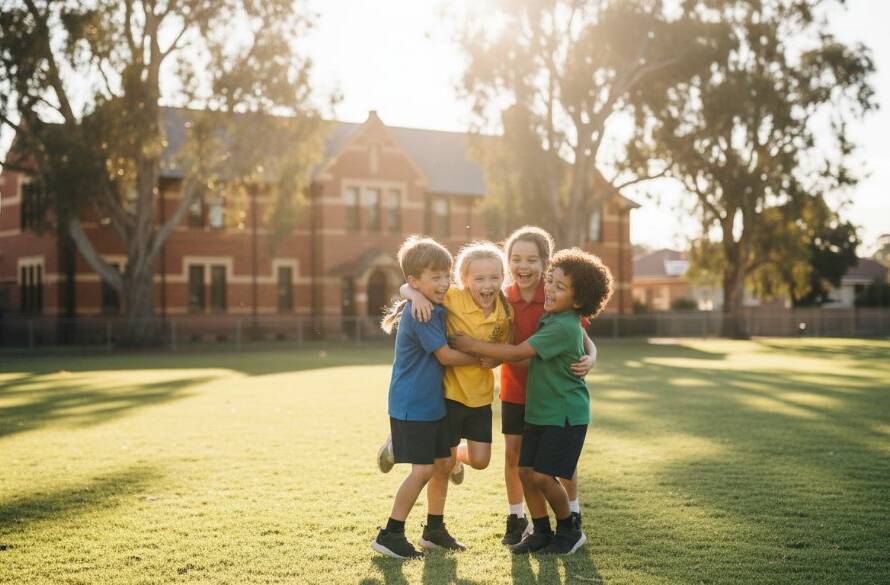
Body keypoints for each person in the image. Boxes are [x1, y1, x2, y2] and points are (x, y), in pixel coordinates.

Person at [450, 248, 613, 556]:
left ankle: (569, 528)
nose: (549, 289)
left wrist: (471, 345)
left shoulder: (565, 326)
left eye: (559, 287)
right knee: (525, 472)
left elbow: (516, 353)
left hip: (564, 415)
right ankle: (540, 530)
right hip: (540, 413)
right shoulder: (552, 319)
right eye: (550, 281)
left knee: (542, 475)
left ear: (578, 301)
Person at [371, 236, 481, 560]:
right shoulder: (422, 313)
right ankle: (390, 533)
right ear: (415, 281)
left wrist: (411, 291)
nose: (445, 282)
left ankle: (434, 530)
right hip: (412, 406)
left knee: (443, 464)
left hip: (432, 405)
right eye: (436, 277)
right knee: (422, 471)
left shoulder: (433, 304)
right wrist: (483, 358)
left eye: (446, 275)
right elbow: (446, 356)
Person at [499, 226, 598, 545]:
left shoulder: (556, 296)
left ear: (545, 263)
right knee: (517, 459)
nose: (523, 266)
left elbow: (583, 339)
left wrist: (592, 358)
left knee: (558, 464)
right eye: (516, 259)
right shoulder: (501, 297)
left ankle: (571, 513)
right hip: (517, 389)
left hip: (555, 395)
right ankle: (518, 518)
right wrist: (410, 292)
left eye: (531, 260)